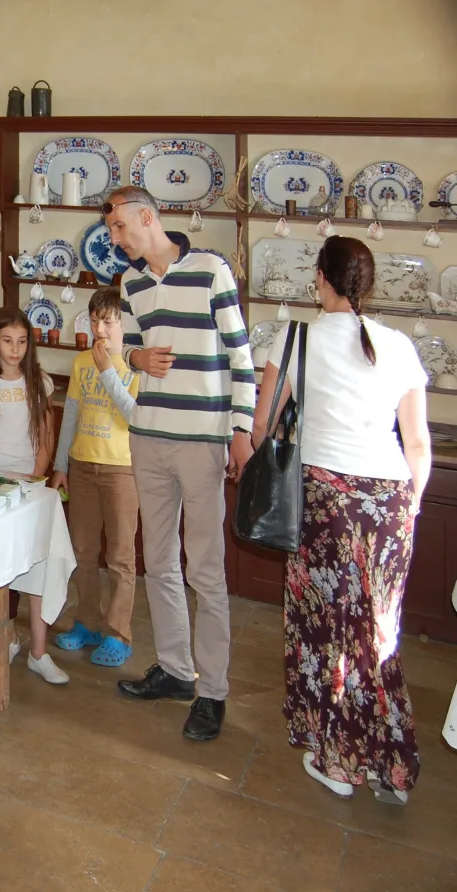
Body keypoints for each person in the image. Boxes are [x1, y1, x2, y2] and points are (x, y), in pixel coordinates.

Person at [254, 235, 430, 804]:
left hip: (325, 502)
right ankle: (390, 759)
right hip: (391, 502)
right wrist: (411, 507)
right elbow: (418, 442)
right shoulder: (399, 344)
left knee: (327, 632)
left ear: (321, 280)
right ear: (367, 284)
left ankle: (340, 760)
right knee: (377, 632)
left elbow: (262, 429)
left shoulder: (298, 338)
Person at [105, 186, 255, 742]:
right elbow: (130, 351)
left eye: (121, 227)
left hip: (201, 443)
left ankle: (212, 691)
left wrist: (241, 431)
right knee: (158, 563)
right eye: (113, 231)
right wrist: (134, 356)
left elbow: (242, 360)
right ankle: (174, 669)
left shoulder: (212, 271)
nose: (116, 240)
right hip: (148, 438)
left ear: (148, 217)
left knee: (206, 571)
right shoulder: (131, 284)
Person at [0, 306, 66, 684]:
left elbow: (46, 435)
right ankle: (1, 634)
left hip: (29, 486)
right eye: (7, 341)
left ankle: (39, 652)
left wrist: (35, 478)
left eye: (22, 342)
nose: (15, 349)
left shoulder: (39, 381)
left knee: (41, 564)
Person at [51, 287, 140, 667]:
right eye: (94, 320)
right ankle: (86, 622)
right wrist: (60, 466)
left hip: (122, 470)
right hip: (82, 467)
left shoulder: (135, 365)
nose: (100, 329)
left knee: (120, 557)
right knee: (83, 553)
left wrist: (108, 372)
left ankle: (118, 633)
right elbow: (70, 415)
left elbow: (133, 416)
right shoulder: (80, 363)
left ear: (123, 324)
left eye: (108, 321)